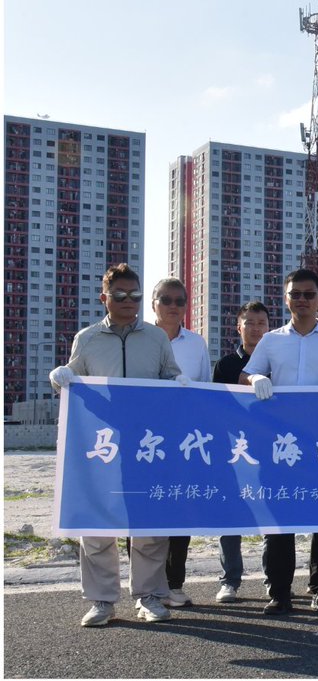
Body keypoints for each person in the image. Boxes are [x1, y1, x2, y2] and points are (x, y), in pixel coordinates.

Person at [48, 263, 186, 627]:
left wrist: (178, 384)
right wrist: (59, 378)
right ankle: (101, 601)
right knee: (97, 525)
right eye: (120, 295)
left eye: (135, 295)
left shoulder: (156, 338)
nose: (129, 301)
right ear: (104, 298)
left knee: (149, 525)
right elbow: (70, 380)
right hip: (101, 447)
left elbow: (169, 377)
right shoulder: (88, 338)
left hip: (146, 445)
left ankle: (150, 596)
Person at [240, 269, 318, 615]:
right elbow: (246, 373)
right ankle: (279, 591)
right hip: (279, 442)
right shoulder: (272, 340)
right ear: (286, 297)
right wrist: (257, 378)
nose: (302, 300)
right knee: (281, 519)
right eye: (296, 294)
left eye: (309, 294)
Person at [149, 277, 211, 610]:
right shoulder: (141, 339)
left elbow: (204, 391)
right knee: (148, 512)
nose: (173, 306)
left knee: (180, 510)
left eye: (179, 301)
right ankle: (147, 585)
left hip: (184, 441)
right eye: (166, 300)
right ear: (154, 304)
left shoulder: (196, 344)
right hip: (147, 440)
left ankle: (174, 584)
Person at [210, 300, 270, 604]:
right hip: (234, 451)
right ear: (239, 327)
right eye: (250, 323)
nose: (256, 328)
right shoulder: (225, 366)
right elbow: (218, 411)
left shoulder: (276, 362)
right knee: (231, 516)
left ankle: (273, 578)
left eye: (261, 323)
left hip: (272, 451)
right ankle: (230, 580)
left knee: (271, 515)